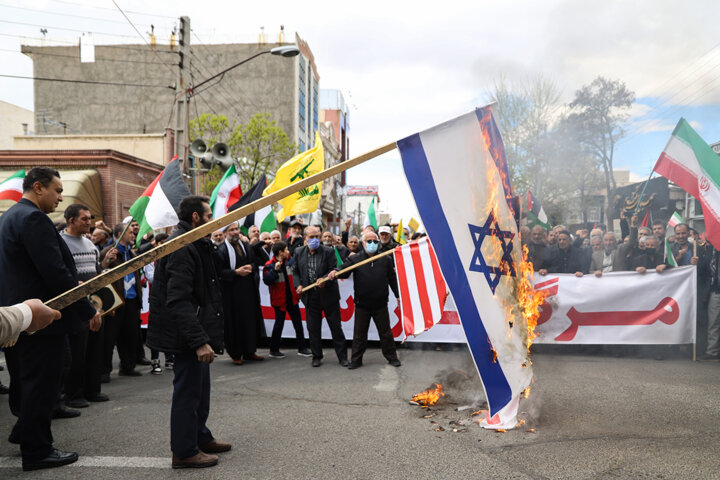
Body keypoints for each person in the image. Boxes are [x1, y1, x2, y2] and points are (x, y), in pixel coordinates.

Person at [0, 167, 100, 471]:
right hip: (40, 320)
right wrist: (88, 310)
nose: (61, 197)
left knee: (25, 381)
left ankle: (25, 431)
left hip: (19, 318)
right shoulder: (32, 219)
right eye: (57, 190)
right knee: (41, 384)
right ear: (39, 187)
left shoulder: (10, 216)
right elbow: (55, 272)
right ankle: (37, 450)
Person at [146, 195, 231, 469]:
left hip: (194, 332)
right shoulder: (182, 247)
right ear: (195, 217)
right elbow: (178, 299)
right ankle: (184, 451)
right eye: (208, 216)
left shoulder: (196, 242)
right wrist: (198, 341)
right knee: (188, 393)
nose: (212, 221)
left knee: (200, 390)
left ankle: (200, 436)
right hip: (184, 336)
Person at [329, 231, 401, 369]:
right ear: (363, 243)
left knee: (385, 333)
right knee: (359, 334)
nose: (372, 244)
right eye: (369, 241)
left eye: (375, 241)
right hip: (362, 304)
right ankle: (356, 360)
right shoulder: (355, 259)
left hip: (380, 304)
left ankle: (392, 357)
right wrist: (335, 271)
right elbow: (344, 270)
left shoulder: (385, 259)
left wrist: (398, 296)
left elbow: (393, 280)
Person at [59, 204, 107, 407]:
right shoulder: (60, 243)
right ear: (71, 220)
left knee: (95, 349)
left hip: (95, 306)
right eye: (84, 219)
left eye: (89, 218)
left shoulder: (90, 245)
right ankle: (73, 394)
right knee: (77, 351)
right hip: (74, 308)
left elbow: (96, 272)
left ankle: (92, 390)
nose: (89, 223)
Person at [292, 226, 348, 367]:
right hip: (311, 297)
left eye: (317, 237)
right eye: (312, 237)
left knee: (336, 328)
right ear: (305, 238)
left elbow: (333, 269)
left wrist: (324, 279)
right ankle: (316, 356)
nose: (315, 240)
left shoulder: (328, 251)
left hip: (329, 295)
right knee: (313, 329)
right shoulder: (299, 252)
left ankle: (342, 358)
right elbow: (296, 272)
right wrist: (298, 285)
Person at [216, 222, 265, 365]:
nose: (235, 232)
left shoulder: (246, 246)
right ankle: (236, 354)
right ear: (225, 233)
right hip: (231, 293)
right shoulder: (221, 250)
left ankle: (250, 351)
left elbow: (256, 262)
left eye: (236, 229)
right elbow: (218, 272)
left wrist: (251, 266)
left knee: (250, 320)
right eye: (231, 230)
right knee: (234, 323)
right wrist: (235, 272)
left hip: (248, 291)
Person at [100, 223, 143, 378]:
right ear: (119, 234)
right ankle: (104, 371)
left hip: (131, 300)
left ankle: (128, 366)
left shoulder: (132, 253)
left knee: (130, 336)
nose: (133, 235)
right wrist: (106, 261)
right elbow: (101, 272)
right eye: (130, 232)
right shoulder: (109, 252)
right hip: (115, 301)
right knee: (109, 338)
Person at [263, 241, 311, 358]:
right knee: (279, 325)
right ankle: (273, 350)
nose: (288, 252)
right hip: (280, 301)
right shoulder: (269, 265)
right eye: (286, 250)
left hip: (292, 299)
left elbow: (297, 274)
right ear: (280, 252)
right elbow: (267, 281)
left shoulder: (290, 261)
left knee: (298, 324)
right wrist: (275, 270)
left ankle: (302, 348)